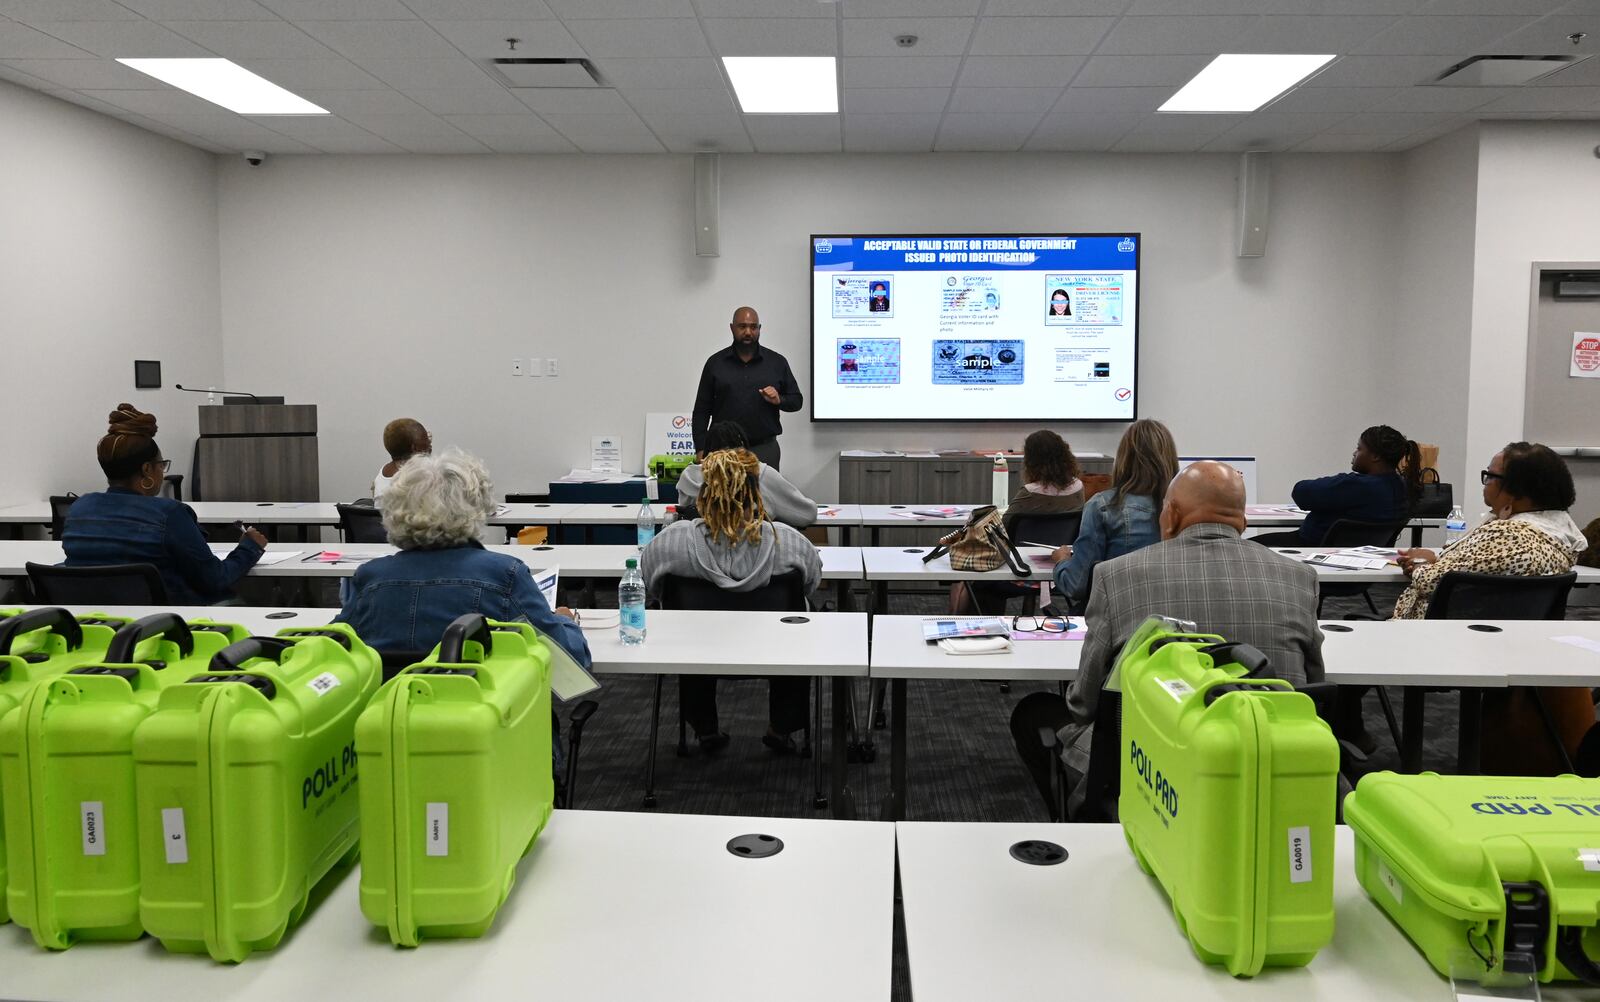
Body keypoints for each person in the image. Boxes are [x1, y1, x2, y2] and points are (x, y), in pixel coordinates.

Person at [1010, 461, 1324, 819]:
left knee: (1032, 712)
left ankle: (1080, 822)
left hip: (1152, 767)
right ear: (1243, 522)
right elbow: (1313, 691)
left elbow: (1084, 704)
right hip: (1272, 765)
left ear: (1171, 515)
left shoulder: (1116, 576)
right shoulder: (1300, 577)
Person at [1395, 443, 1588, 775]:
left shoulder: (1507, 536)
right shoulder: (1558, 535)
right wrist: (1441, 560)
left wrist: (1415, 567)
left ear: (1517, 491)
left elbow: (1433, 583)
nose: (1485, 482)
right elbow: (1477, 570)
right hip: (1509, 644)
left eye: (1491, 475)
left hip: (1438, 644)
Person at [334, 448, 589, 669]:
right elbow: (571, 657)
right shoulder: (505, 575)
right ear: (476, 508)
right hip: (483, 717)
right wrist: (567, 623)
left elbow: (333, 648)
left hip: (388, 715)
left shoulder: (370, 578)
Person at [640, 448, 822, 754]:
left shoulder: (670, 543)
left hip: (695, 651)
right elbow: (811, 585)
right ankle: (782, 727)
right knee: (796, 627)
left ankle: (704, 728)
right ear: (757, 493)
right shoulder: (790, 543)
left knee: (688, 628)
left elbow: (650, 586)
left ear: (703, 493)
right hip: (774, 649)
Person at [62, 404, 265, 605]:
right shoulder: (169, 513)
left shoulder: (80, 508)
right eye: (161, 465)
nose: (163, 471)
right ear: (147, 470)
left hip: (97, 624)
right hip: (169, 625)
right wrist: (249, 547)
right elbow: (214, 579)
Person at [1050, 418, 1177, 612]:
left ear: (1124, 459)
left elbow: (1076, 585)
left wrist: (1062, 561)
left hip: (1116, 617)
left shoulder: (1102, 506)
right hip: (1172, 619)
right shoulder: (1185, 508)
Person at [952, 430, 1084, 614]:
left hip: (1018, 572)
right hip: (1059, 569)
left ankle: (980, 631)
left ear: (1031, 461)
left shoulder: (1030, 492)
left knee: (977, 581)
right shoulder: (1078, 487)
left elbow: (1001, 532)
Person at [1252, 425, 1421, 547]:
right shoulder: (1401, 487)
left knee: (1245, 550)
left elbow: (1301, 492)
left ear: (1375, 456)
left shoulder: (1354, 486)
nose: (1355, 453)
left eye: (1359, 448)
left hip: (1312, 552)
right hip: (1363, 563)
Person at [691, 306, 802, 470]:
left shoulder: (777, 362)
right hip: (723, 451)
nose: (748, 332)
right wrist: (700, 448)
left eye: (753, 327)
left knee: (764, 496)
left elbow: (796, 401)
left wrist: (779, 399)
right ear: (732, 328)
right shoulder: (715, 364)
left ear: (759, 329)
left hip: (764, 450)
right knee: (723, 496)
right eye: (742, 326)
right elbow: (701, 410)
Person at [676, 420, 816, 529]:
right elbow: (806, 514)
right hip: (757, 555)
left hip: (703, 557)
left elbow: (686, 513)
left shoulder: (690, 476)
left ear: (708, 451)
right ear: (744, 448)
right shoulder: (762, 474)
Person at [372, 417, 430, 504]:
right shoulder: (419, 478)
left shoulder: (382, 473)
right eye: (426, 440)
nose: (429, 444)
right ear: (415, 448)